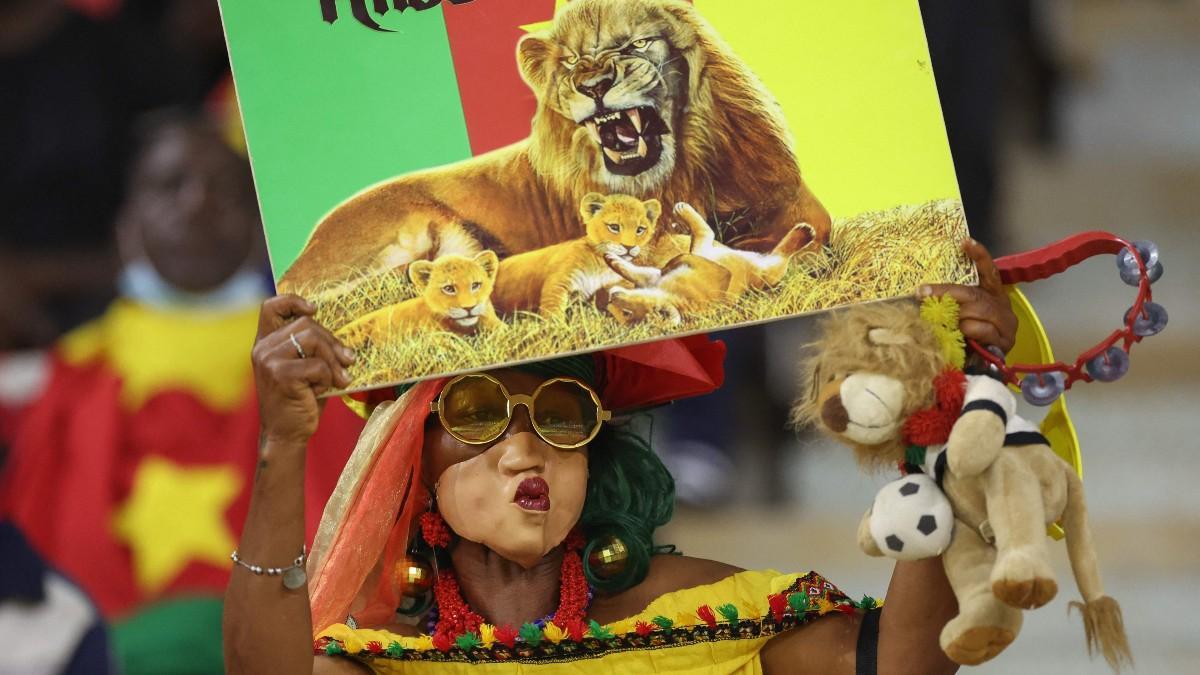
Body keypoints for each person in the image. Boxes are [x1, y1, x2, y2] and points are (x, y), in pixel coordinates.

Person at [224, 242, 1015, 674]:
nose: (525, 446)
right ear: (415, 452)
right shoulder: (378, 658)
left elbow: (902, 667)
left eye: (563, 414)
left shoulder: (699, 615)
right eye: (479, 412)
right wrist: (282, 444)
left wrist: (954, 403)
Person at [1, 113, 364, 675]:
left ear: (259, 221)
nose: (196, 203)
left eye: (222, 186)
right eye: (169, 184)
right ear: (126, 226)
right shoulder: (55, 381)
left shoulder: (342, 365)